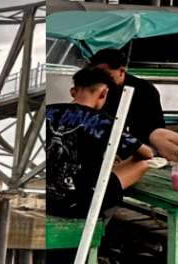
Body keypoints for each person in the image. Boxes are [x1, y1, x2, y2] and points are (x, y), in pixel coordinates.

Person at [46, 66, 153, 219]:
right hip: (78, 203)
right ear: (104, 93)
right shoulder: (103, 121)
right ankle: (101, 225)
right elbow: (146, 153)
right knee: (141, 163)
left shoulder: (47, 111)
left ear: (72, 92)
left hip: (48, 200)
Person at [90, 48, 178, 164]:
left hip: (140, 143)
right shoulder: (96, 88)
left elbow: (154, 129)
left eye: (107, 76)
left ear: (121, 71)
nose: (102, 80)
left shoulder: (145, 90)